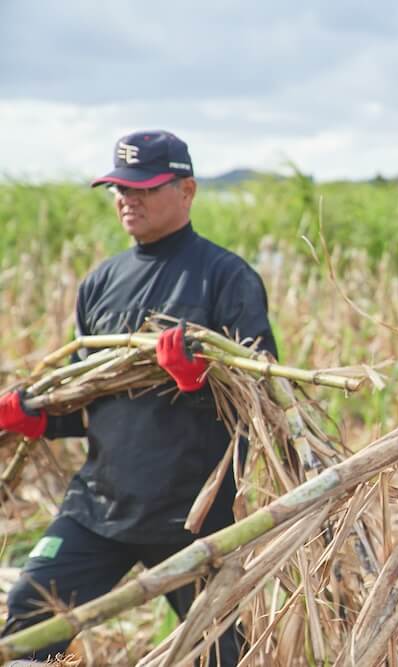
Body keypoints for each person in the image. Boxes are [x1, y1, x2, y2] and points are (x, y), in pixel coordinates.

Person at [0, 130, 276, 665]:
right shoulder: (101, 282)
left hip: (193, 517)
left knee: (219, 651)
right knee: (30, 620)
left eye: (144, 189)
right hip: (100, 505)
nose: (128, 199)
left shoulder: (225, 277)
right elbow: (91, 398)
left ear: (187, 190)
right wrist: (39, 420)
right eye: (120, 189)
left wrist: (201, 378)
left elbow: (264, 394)